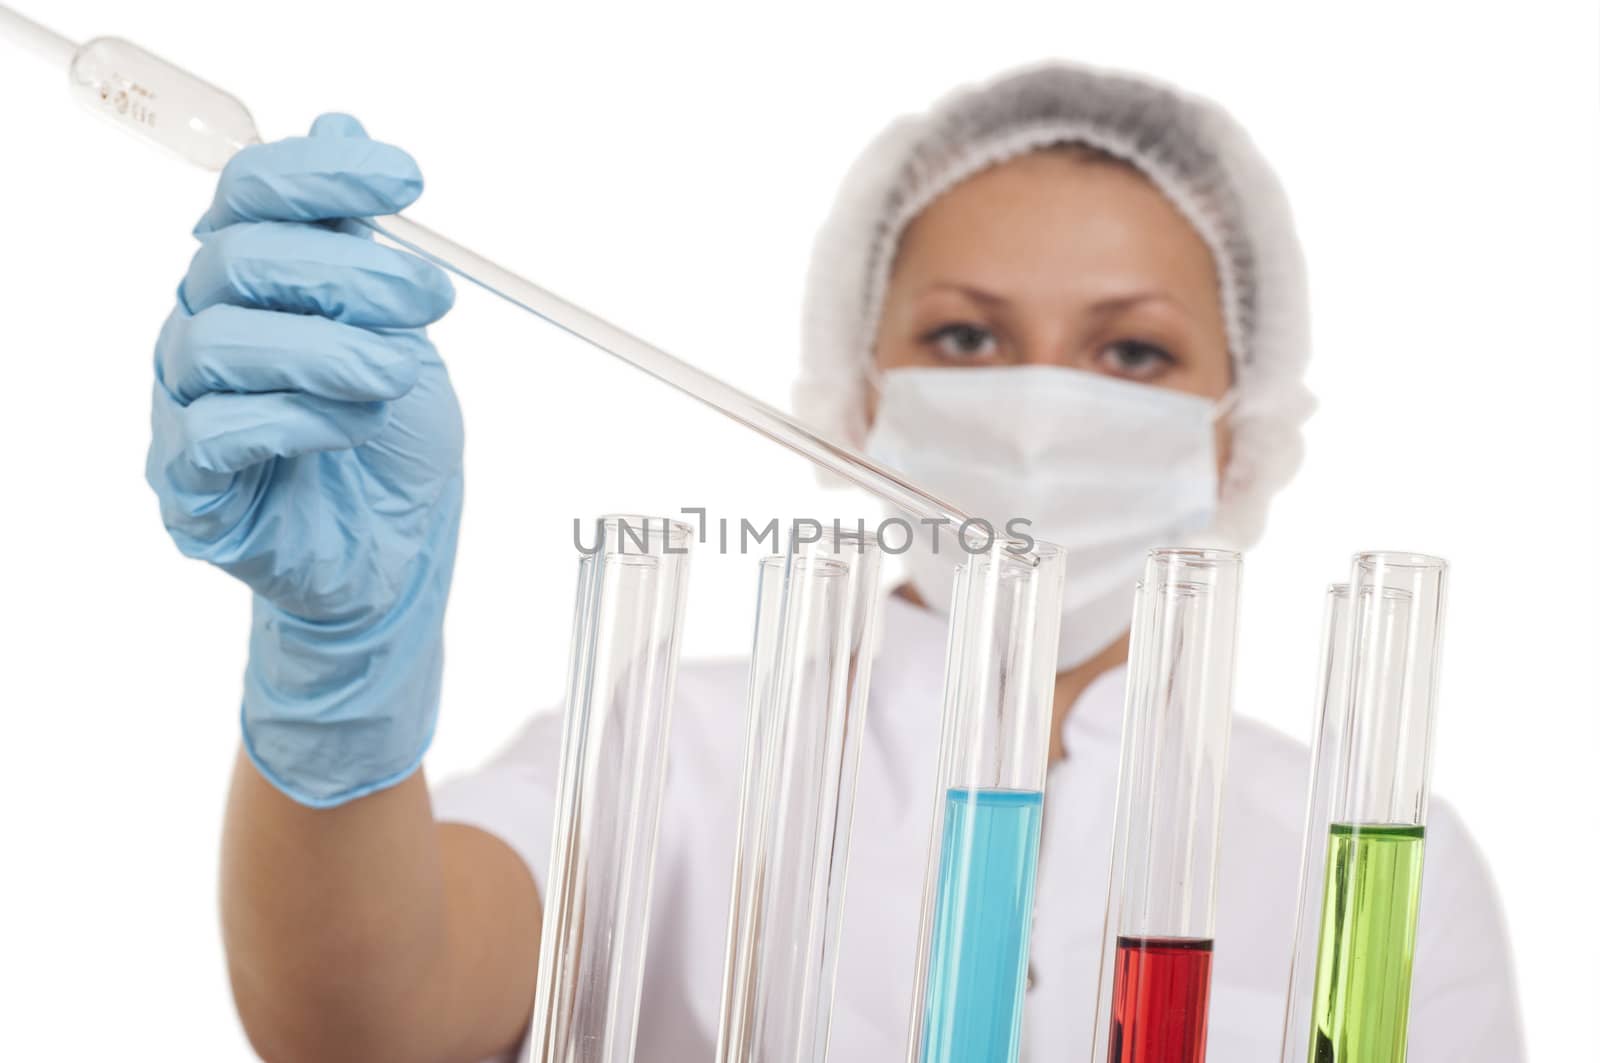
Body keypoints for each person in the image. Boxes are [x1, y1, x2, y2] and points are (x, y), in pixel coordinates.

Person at [145, 63, 1524, 1062]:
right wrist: (338, 686)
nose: (1044, 409)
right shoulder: (671, 745)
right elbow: (360, 1026)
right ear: (854, 389)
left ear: (1244, 423)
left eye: (1134, 352)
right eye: (967, 339)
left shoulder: (1365, 844)